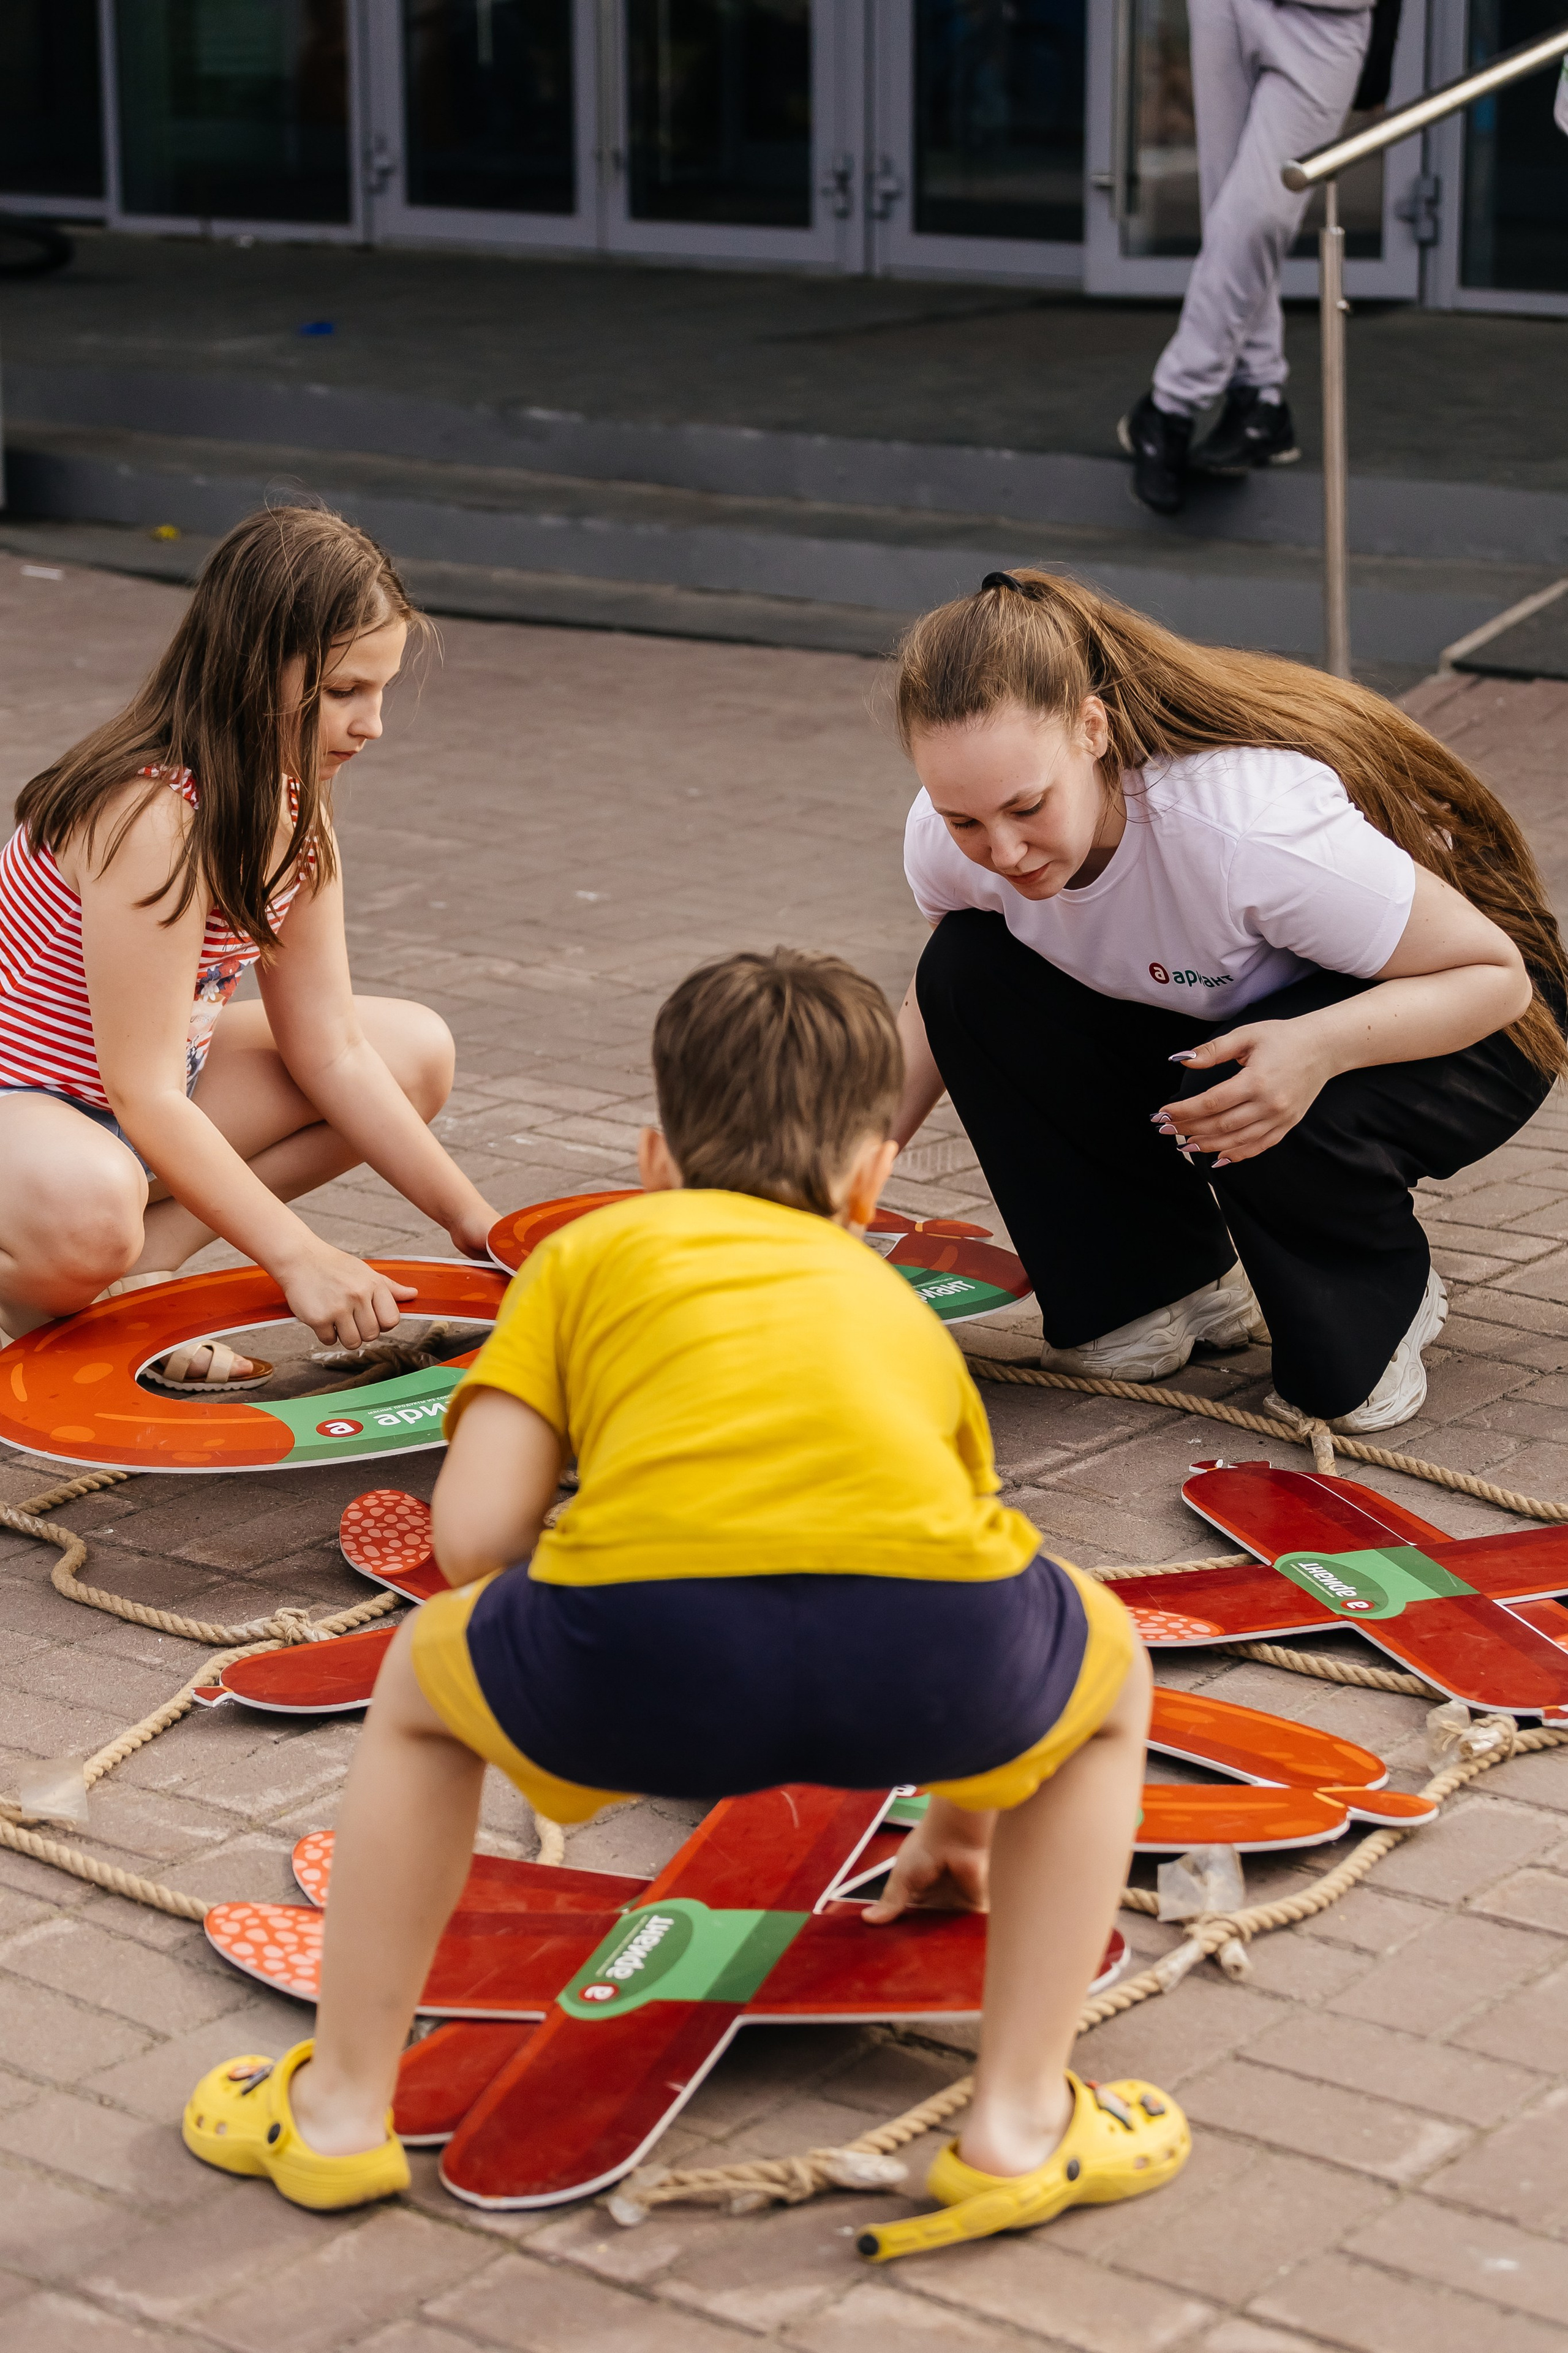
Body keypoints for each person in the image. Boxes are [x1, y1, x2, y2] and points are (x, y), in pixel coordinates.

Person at [180, 948, 1188, 2256]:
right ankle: (1012, 2123)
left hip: (638, 1673)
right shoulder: (895, 1309)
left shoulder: (582, 1262)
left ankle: (336, 2114)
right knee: (1100, 1673)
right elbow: (963, 1562)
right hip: (925, 1683)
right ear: (870, 1181)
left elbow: (474, 1540)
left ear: (653, 1159)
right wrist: (955, 1817)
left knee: (419, 1692)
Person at [891, 570, 1566, 1435]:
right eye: (966, 822)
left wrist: (1320, 1048)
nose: (1004, 850)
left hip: (1471, 1003)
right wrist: (842, 1170)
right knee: (965, 966)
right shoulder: (958, 835)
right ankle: (1158, 1287)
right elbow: (943, 1005)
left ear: (1092, 731)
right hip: (1239, 1007)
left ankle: (1383, 1297)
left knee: (1339, 1391)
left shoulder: (1244, 829)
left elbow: (1498, 978)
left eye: (1028, 807)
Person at [0, 506, 500, 1378]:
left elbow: (333, 1049)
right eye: (344, 692)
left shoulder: (294, 805)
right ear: (251, 671)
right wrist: (297, 1255)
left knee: (411, 1053)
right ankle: (55, 1274)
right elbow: (145, 1092)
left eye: (381, 690)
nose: (372, 724)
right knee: (91, 1207)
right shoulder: (150, 815)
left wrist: (482, 1227)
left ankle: (138, 1270)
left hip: (122, 1108)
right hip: (32, 1108)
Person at [1118, 0, 1382, 514]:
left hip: (1327, 16)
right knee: (1228, 212)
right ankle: (1259, 399)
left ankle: (1171, 403)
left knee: (1261, 212)